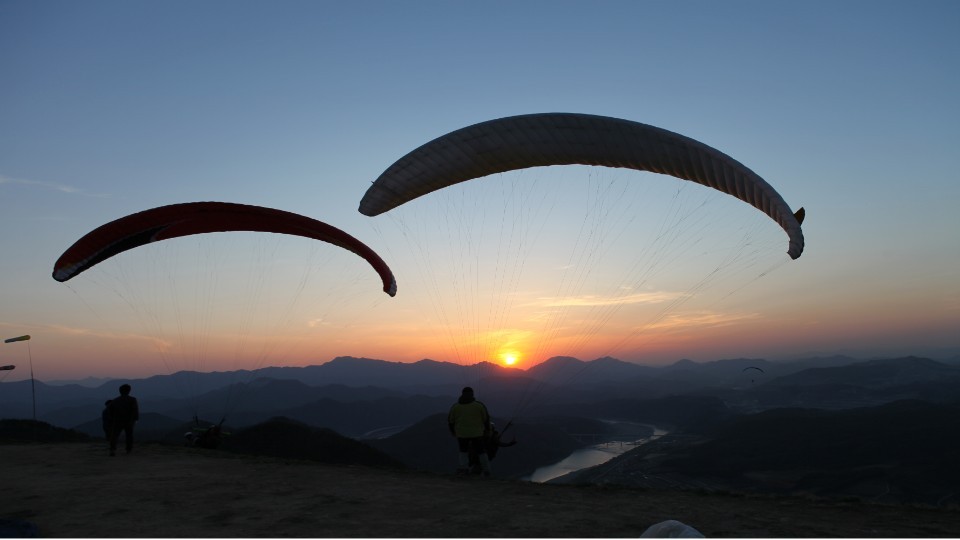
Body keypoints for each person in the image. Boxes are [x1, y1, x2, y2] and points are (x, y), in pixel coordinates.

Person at [447, 386, 491, 476]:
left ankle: (463, 469)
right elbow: (486, 419)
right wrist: (487, 431)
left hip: (462, 434)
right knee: (481, 452)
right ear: (472, 395)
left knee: (463, 451)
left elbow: (451, 421)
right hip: (477, 433)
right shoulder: (479, 406)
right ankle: (486, 470)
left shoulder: (456, 407)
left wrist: (453, 432)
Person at [107, 383, 139, 456]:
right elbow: (135, 410)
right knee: (129, 435)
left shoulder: (115, 400)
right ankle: (128, 450)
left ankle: (112, 450)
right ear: (129, 391)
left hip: (117, 420)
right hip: (129, 421)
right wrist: (135, 419)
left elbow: (109, 409)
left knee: (114, 435)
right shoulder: (132, 400)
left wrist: (112, 418)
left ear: (120, 391)